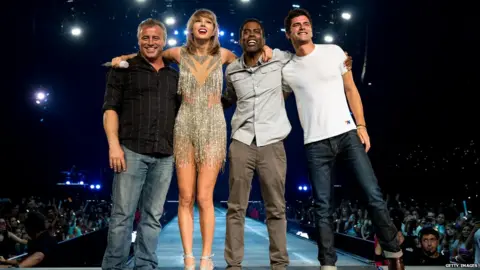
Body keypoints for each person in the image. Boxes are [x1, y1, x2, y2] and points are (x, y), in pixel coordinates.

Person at [111, 9, 272, 270]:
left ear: (214, 28)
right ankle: (188, 258)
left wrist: (267, 50)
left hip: (213, 128)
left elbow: (250, 63)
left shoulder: (225, 55)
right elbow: (147, 56)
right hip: (183, 127)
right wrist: (124, 58)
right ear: (191, 27)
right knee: (185, 197)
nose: (203, 25)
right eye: (198, 21)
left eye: (208, 22)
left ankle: (206, 257)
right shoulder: (177, 53)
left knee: (204, 197)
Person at [221, 18, 352, 270]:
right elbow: (229, 98)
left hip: (272, 142)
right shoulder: (232, 71)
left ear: (263, 38)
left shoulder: (280, 58)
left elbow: (308, 57)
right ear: (239, 39)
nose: (251, 36)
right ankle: (233, 264)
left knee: (276, 208)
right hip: (241, 141)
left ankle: (279, 264)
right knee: (236, 207)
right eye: (246, 32)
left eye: (256, 32)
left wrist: (343, 61)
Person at [280, 8, 404, 270]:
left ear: (311, 28)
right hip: (315, 143)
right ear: (289, 32)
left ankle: (394, 252)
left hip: (347, 134)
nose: (302, 27)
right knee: (323, 206)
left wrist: (362, 125)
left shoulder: (334, 52)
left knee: (373, 195)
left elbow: (351, 89)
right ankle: (328, 264)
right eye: (296, 25)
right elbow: (276, 101)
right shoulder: (286, 69)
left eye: (306, 23)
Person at [101, 18, 179, 270]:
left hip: (165, 155)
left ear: (164, 41)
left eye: (156, 38)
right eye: (146, 37)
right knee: (122, 217)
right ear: (138, 40)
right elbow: (110, 109)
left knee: (153, 217)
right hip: (130, 151)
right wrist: (114, 145)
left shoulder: (173, 75)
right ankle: (114, 267)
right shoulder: (123, 68)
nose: (150, 42)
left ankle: (145, 265)